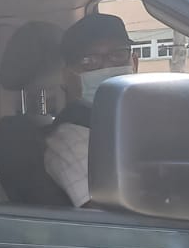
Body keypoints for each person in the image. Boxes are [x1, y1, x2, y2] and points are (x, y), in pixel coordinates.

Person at [44, 12, 133, 207]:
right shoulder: (71, 136)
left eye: (118, 55)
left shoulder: (138, 120)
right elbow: (108, 220)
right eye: (89, 61)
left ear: (134, 62)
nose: (107, 67)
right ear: (68, 77)